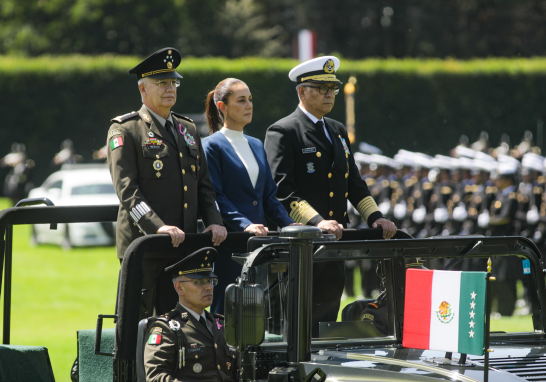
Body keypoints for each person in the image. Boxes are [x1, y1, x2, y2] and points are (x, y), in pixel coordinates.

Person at [264, 56, 397, 337]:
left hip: (334, 246)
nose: (329, 94)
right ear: (302, 91)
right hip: (302, 248)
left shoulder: (336, 130)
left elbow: (354, 183)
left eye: (332, 89)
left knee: (326, 323)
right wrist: (317, 222)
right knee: (296, 327)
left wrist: (376, 217)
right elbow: (283, 191)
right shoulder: (283, 131)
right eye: (321, 88)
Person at [107, 47, 227, 318]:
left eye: (174, 82)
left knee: (179, 325)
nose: (170, 88)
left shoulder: (188, 129)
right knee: (141, 326)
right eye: (161, 83)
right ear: (143, 89)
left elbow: (203, 185)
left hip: (183, 248)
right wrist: (157, 228)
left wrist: (214, 220)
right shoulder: (125, 129)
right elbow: (127, 190)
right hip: (145, 248)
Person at [202, 78, 298, 315]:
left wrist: (290, 224)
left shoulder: (256, 144)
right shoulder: (211, 145)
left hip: (259, 247)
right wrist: (245, 225)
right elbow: (216, 196)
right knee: (226, 313)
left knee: (256, 316)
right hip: (229, 246)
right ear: (222, 107)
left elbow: (269, 196)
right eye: (241, 100)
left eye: (251, 99)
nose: (249, 105)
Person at [144, 247, 236, 382]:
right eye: (199, 282)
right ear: (179, 288)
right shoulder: (166, 329)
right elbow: (156, 377)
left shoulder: (221, 324)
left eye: (211, 281)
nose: (209, 287)